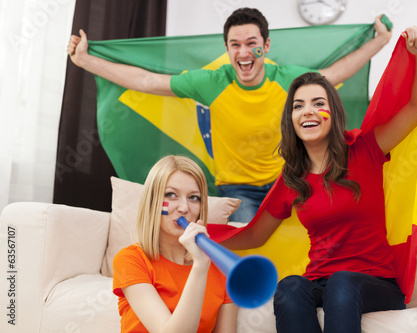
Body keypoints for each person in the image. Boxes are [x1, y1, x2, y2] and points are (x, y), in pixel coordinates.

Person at [67, 7, 392, 223]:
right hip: (239, 189)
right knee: (248, 243)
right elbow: (146, 81)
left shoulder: (287, 79)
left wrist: (381, 40)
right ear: (227, 49)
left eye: (252, 43)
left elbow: (333, 75)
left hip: (289, 182)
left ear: (266, 45)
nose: (243, 52)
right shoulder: (211, 82)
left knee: (316, 234)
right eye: (235, 45)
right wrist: (85, 61)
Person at [217, 26, 417, 333]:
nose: (309, 111)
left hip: (376, 283)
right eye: (298, 105)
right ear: (291, 121)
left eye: (318, 103)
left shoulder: (365, 150)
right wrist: (205, 237)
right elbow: (255, 236)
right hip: (321, 282)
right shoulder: (293, 178)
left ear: (333, 112)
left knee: (343, 282)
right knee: (290, 286)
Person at [112, 155, 237, 333]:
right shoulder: (131, 260)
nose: (184, 208)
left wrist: (203, 262)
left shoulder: (220, 268)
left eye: (194, 197)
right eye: (171, 195)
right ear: (153, 202)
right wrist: (200, 267)